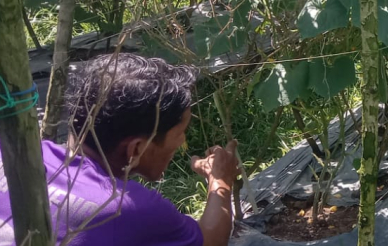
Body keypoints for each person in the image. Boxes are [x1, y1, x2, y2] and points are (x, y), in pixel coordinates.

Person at [0, 53, 240, 245]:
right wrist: (221, 179)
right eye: (179, 133)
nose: (182, 141)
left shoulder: (16, 156)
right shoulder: (129, 209)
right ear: (135, 149)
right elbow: (210, 240)